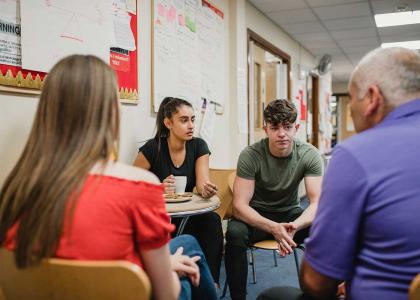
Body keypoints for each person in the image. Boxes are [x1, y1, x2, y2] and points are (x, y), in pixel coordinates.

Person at [0, 55, 217, 300]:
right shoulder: (139, 185)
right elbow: (167, 294)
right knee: (188, 248)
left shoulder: (14, 190)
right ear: (112, 114)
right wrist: (164, 267)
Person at [257, 47, 420, 300]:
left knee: (273, 295)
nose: (351, 111)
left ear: (373, 98)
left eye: (352, 99)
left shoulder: (357, 153)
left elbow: (316, 282)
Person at [225, 99, 324, 300]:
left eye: (287, 127)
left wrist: (296, 225)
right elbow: (239, 207)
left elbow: (316, 204)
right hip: (256, 216)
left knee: (325, 228)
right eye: (275, 127)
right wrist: (273, 227)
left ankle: (321, 294)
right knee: (235, 232)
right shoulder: (250, 155)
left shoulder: (309, 154)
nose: (281, 133)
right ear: (266, 128)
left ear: (296, 128)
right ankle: (238, 297)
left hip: (291, 215)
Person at [133, 97, 224, 285]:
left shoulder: (198, 146)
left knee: (212, 220)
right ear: (168, 123)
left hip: (188, 215)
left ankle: (212, 282)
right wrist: (158, 188)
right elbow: (130, 185)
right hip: (160, 216)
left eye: (192, 119)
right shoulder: (153, 148)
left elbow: (201, 182)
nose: (191, 125)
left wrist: (206, 189)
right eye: (184, 120)